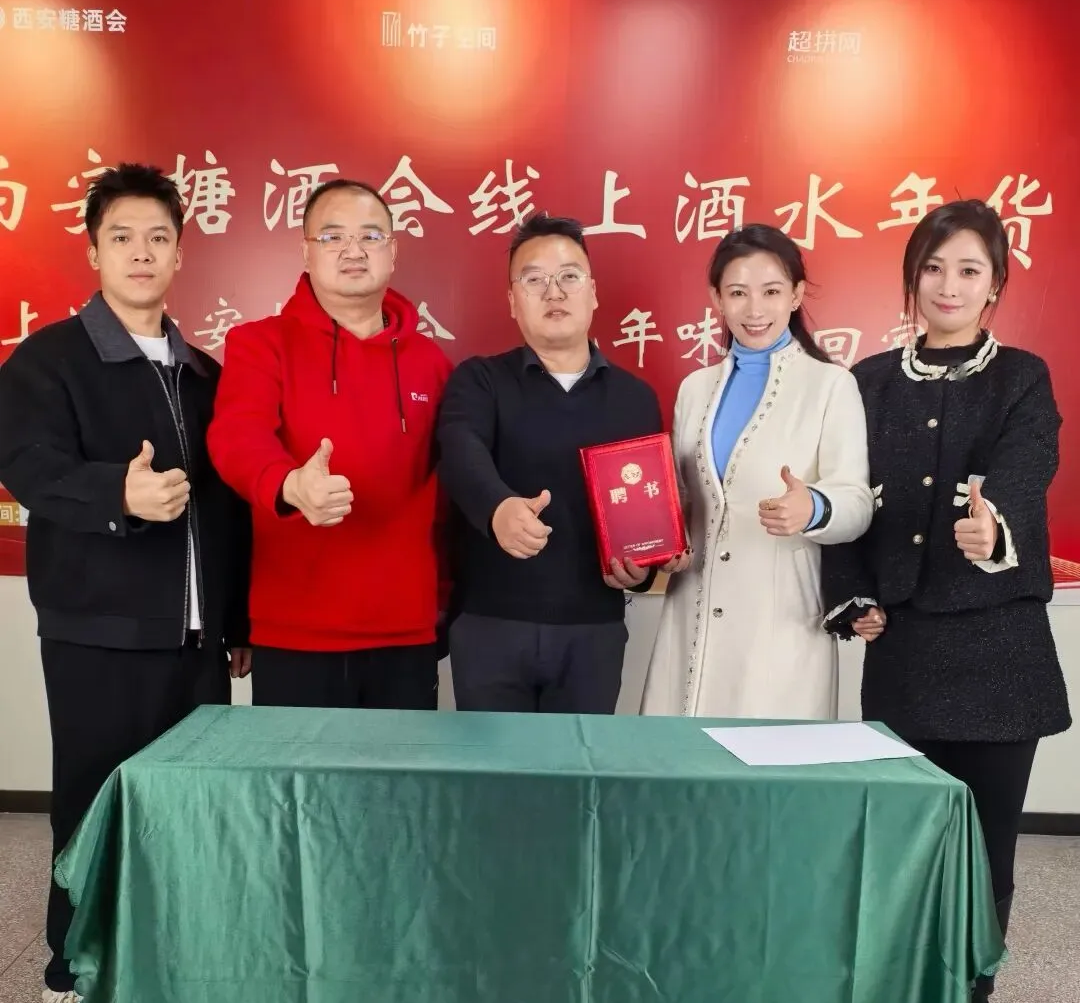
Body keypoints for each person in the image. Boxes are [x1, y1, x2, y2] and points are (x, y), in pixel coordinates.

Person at [0, 163, 251, 1003]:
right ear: (95, 251)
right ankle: (68, 981)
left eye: (157, 237)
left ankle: (168, 973)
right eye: (122, 237)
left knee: (188, 815)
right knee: (91, 811)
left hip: (196, 644)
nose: (141, 253)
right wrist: (120, 494)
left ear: (180, 252)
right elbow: (27, 466)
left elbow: (230, 508)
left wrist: (237, 619)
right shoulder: (48, 361)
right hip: (97, 633)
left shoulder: (204, 373)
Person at [820, 199, 1071, 1003]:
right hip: (904, 650)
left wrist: (994, 523)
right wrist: (851, 597)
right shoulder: (868, 382)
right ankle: (901, 996)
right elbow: (845, 502)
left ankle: (971, 999)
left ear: (995, 284)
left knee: (986, 844)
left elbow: (1028, 465)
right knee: (901, 841)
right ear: (912, 278)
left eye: (969, 269)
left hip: (1000, 652)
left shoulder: (1023, 378)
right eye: (933, 267)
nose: (949, 285)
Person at [207, 179, 452, 710]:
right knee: (298, 771)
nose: (353, 250)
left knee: (401, 769)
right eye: (333, 236)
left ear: (393, 250)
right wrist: (290, 484)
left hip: (405, 630)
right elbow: (236, 436)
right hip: (296, 631)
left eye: (370, 236)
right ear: (306, 251)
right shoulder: (260, 344)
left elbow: (450, 489)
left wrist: (445, 601)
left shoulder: (430, 363)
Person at [436, 213, 670, 715]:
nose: (554, 292)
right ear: (512, 300)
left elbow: (645, 505)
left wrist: (640, 572)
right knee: (492, 765)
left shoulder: (635, 399)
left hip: (593, 630)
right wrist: (498, 508)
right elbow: (459, 449)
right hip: (491, 624)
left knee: (580, 766)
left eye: (569, 276)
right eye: (534, 280)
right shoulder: (480, 380)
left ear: (593, 292)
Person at [640, 224, 873, 719]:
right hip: (691, 620)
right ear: (717, 299)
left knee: (770, 761)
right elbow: (681, 501)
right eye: (737, 293)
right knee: (682, 759)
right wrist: (661, 542)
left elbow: (857, 503)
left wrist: (814, 507)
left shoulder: (830, 385)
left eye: (771, 291)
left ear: (796, 295)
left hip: (781, 627)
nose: (754, 309)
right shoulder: (694, 389)